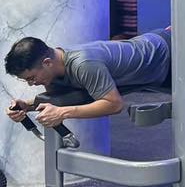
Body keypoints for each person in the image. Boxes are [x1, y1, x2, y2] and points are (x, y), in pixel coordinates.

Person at [4, 29, 171, 130]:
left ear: (47, 63)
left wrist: (62, 113)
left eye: (32, 78)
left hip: (170, 53)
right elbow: (61, 98)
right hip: (157, 71)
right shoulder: (54, 68)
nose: (31, 84)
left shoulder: (83, 64)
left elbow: (114, 104)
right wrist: (27, 106)